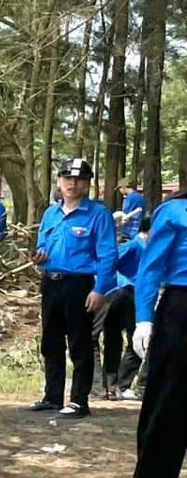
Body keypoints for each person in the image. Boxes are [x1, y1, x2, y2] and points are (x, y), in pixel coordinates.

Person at [32, 158, 118, 418]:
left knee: (80, 342)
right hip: (51, 282)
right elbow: (42, 243)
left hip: (80, 285)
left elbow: (108, 254)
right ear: (59, 181)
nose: (72, 183)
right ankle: (53, 396)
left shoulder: (98, 215)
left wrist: (100, 289)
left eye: (79, 179)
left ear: (87, 184)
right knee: (50, 341)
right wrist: (40, 255)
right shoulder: (50, 213)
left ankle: (79, 400)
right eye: (67, 178)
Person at [131, 193, 186, 478]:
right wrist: (143, 318)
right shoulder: (174, 212)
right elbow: (150, 268)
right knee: (169, 396)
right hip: (181, 306)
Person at [93, 220, 144, 402]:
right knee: (114, 338)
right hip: (120, 293)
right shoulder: (133, 245)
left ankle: (116, 385)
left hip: (133, 294)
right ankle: (108, 386)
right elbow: (110, 262)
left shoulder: (149, 247)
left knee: (129, 340)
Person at [116, 179, 145, 243]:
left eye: (119, 188)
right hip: (136, 230)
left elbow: (126, 214)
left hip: (130, 231)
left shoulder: (130, 198)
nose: (119, 191)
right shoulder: (139, 197)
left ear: (123, 187)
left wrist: (119, 222)